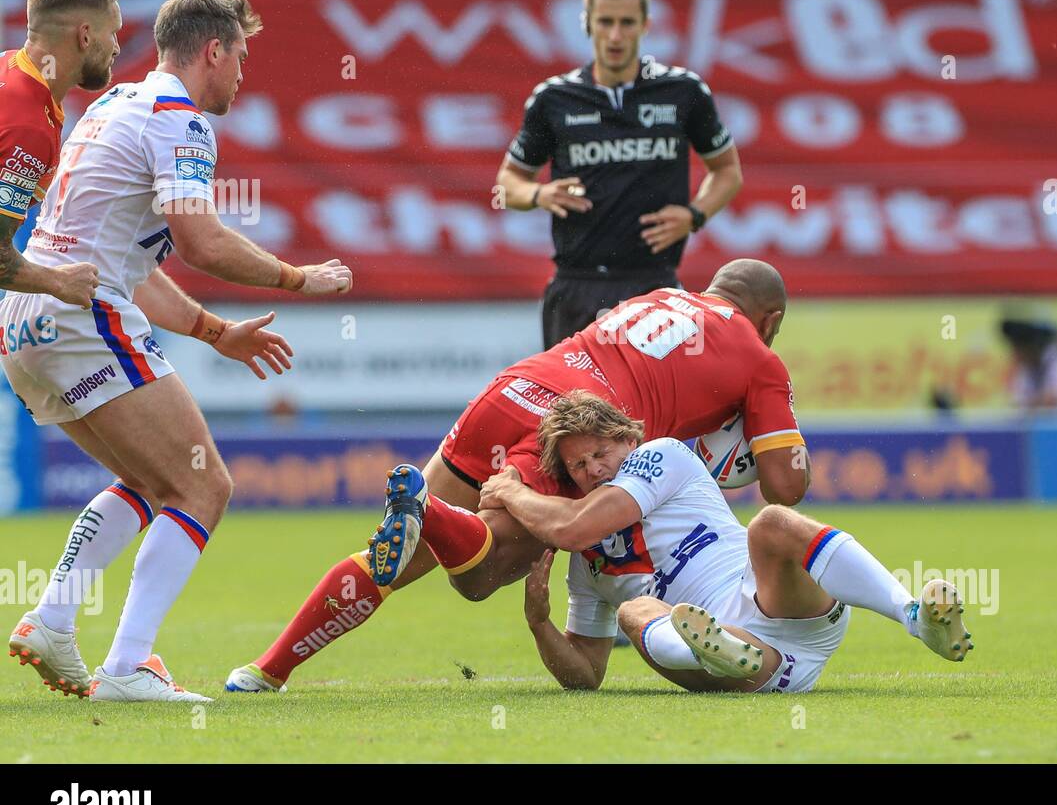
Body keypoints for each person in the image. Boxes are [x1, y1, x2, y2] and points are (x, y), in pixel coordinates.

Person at [227, 259, 806, 692]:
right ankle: (425, 510)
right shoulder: (760, 356)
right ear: (772, 318)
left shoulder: (661, 297)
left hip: (516, 385)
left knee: (401, 556)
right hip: (577, 419)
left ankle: (266, 670)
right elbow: (785, 487)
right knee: (479, 577)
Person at [4, 0, 353, 702]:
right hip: (79, 314)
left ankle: (54, 618)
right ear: (213, 51)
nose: (242, 76)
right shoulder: (179, 118)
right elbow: (200, 241)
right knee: (203, 485)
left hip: (25, 320)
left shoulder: (111, 107)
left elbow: (132, 263)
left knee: (150, 481)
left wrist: (215, 331)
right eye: (242, 58)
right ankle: (128, 666)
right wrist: (298, 278)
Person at [480, 391, 973, 693]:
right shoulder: (586, 567)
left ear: (629, 441)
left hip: (776, 604)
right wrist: (539, 623)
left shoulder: (660, 456)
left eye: (599, 453)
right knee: (635, 612)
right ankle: (717, 649)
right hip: (752, 666)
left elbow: (570, 527)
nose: (592, 471)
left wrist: (509, 490)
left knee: (771, 523)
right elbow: (586, 673)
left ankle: (913, 617)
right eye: (578, 466)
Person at [494, 0, 743, 349]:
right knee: (573, 408)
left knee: (656, 408)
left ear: (645, 25)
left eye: (627, 22)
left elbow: (727, 171)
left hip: (655, 284)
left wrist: (695, 215)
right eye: (605, 21)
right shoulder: (554, 99)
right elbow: (507, 184)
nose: (615, 35)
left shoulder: (682, 91)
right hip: (577, 284)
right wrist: (540, 195)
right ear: (586, 23)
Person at [0, 0, 117, 309]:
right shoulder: (28, 126)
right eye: (113, 33)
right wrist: (57, 281)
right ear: (85, 36)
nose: (116, 47)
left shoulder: (10, 65)